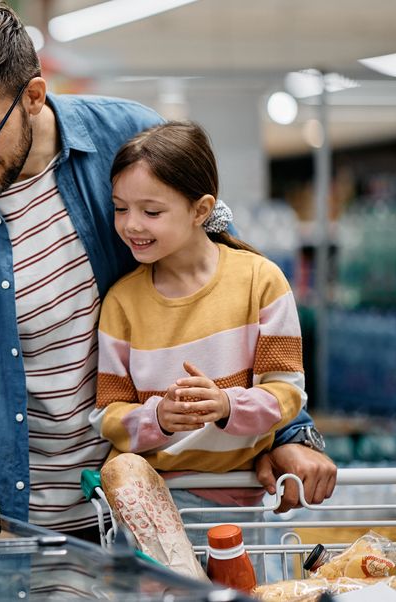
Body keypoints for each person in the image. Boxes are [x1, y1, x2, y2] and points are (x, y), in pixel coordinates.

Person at [0, 1, 335, 541]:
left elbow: (224, 279)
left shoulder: (130, 139)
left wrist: (290, 431)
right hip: (11, 525)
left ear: (32, 96)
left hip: (156, 511)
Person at [89, 122, 305, 548]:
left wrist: (227, 405)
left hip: (242, 508)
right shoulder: (122, 301)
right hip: (146, 509)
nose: (131, 225)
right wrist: (157, 418)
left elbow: (286, 395)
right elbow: (107, 414)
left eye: (151, 212)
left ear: (200, 209)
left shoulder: (259, 281)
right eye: (119, 208)